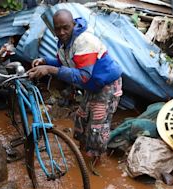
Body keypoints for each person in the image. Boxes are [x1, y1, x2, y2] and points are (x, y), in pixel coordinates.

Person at [27, 9, 122, 174]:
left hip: (106, 84)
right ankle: (83, 154)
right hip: (92, 85)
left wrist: (49, 69)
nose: (61, 32)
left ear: (73, 25)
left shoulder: (84, 41)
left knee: (97, 124)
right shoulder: (64, 41)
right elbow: (63, 61)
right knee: (81, 117)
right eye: (58, 29)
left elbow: (84, 76)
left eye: (66, 27)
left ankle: (96, 161)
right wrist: (45, 61)